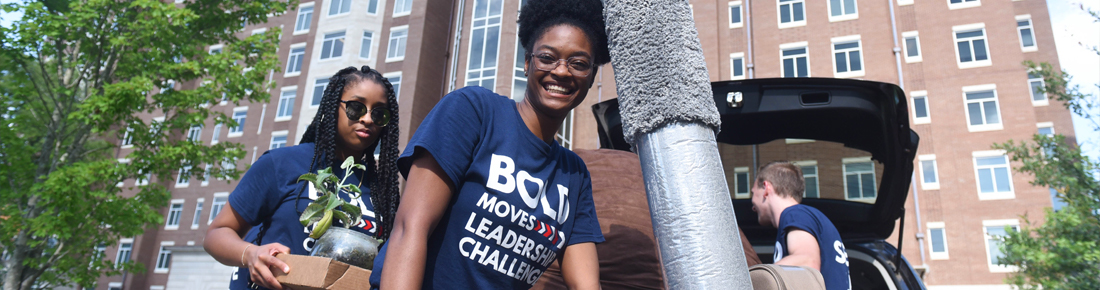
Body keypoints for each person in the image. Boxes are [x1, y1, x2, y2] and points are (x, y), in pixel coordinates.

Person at [370, 0, 609, 288]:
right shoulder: (473, 111)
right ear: (526, 63)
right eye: (547, 58)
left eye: (579, 64)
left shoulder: (575, 174)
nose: (561, 71)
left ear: (592, 77)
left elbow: (586, 285)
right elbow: (411, 228)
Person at [203, 66, 402, 290]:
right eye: (356, 108)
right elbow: (216, 234)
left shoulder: (384, 193)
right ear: (333, 106)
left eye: (379, 114)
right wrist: (251, 254)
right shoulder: (281, 164)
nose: (367, 119)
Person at [750, 161, 851, 290]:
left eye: (753, 193)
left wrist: (755, 280)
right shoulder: (804, 217)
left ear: (766, 188)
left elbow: (806, 262)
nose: (753, 206)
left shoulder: (795, 214)